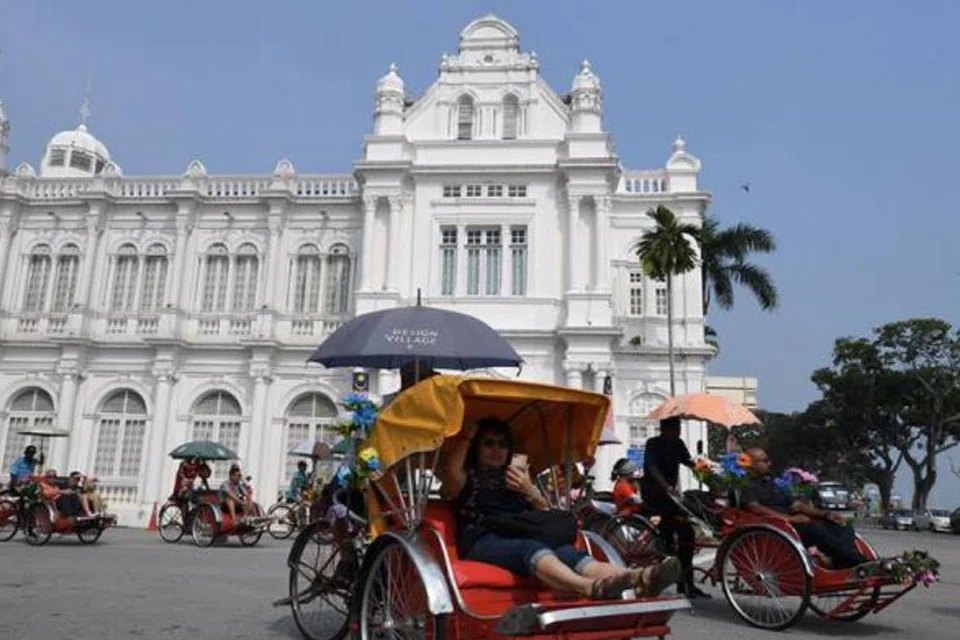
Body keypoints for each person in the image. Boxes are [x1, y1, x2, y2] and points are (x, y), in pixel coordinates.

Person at [438, 417, 680, 600]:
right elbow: (450, 474)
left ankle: (640, 577)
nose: (496, 450)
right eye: (488, 444)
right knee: (531, 547)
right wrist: (467, 436)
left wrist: (529, 489)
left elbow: (544, 513)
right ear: (476, 448)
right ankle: (589, 587)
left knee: (568, 553)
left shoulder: (517, 477)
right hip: (482, 538)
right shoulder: (466, 477)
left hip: (518, 531)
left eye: (502, 444)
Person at [740, 448, 869, 570]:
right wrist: (790, 519)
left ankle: (842, 561)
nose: (769, 463)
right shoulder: (747, 485)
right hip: (778, 527)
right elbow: (755, 508)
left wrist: (826, 514)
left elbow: (797, 505)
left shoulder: (773, 484)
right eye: (765, 461)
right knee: (815, 528)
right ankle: (859, 561)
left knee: (842, 525)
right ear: (752, 464)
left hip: (793, 524)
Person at [640, 417, 708, 598]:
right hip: (654, 492)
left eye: (678, 427)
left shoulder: (678, 443)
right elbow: (652, 468)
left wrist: (705, 469)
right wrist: (666, 486)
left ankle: (686, 583)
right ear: (664, 429)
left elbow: (689, 462)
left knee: (687, 536)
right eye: (674, 428)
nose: (678, 431)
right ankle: (670, 571)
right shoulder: (653, 443)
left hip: (670, 495)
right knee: (678, 532)